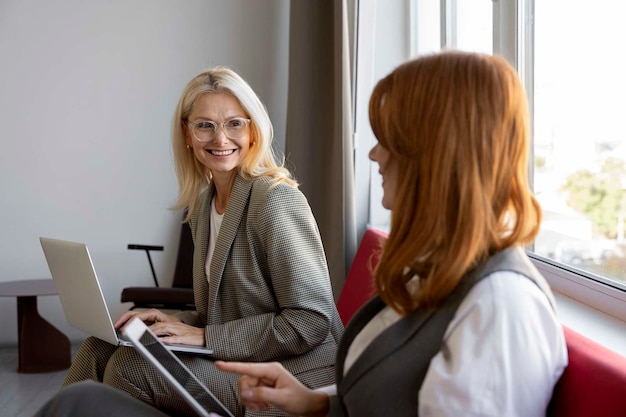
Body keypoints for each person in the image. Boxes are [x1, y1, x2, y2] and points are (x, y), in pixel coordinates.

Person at [215, 51, 569, 416]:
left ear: (435, 156)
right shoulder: (440, 270)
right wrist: (317, 403)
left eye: (388, 140)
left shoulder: (499, 307)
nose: (373, 155)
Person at [60, 66, 344, 417]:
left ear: (253, 130)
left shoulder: (275, 200)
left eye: (234, 123)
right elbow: (224, 313)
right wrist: (169, 321)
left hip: (298, 367)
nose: (220, 139)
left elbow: (310, 321)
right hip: (242, 353)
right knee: (97, 349)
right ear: (187, 134)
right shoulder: (205, 205)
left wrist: (206, 337)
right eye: (205, 125)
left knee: (130, 368)